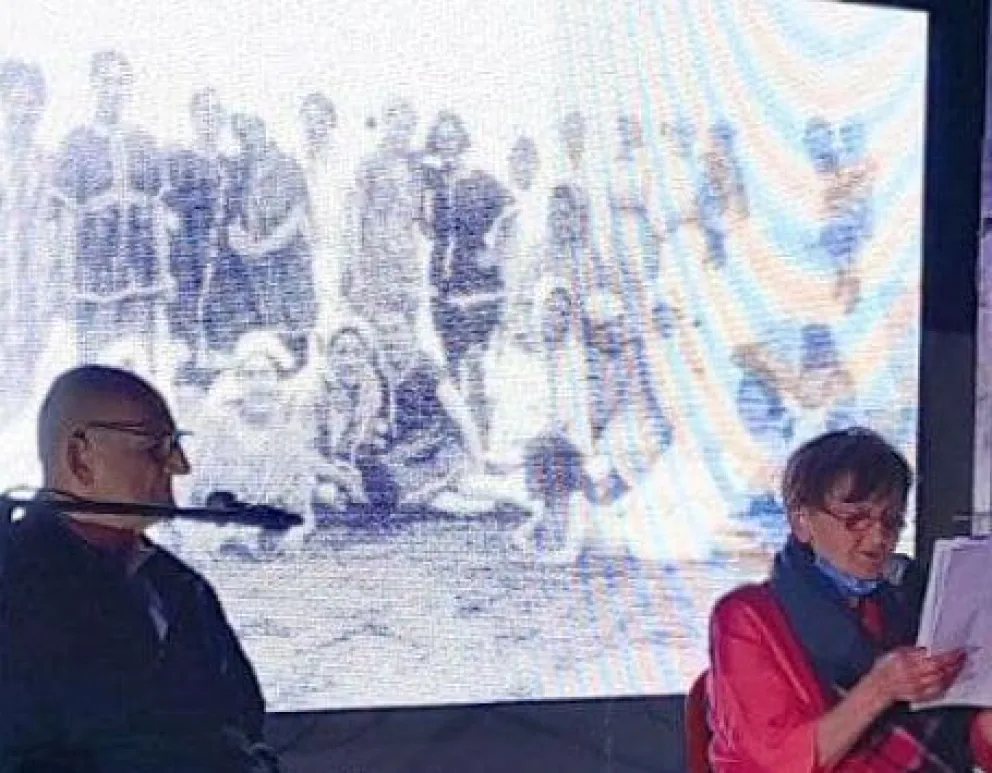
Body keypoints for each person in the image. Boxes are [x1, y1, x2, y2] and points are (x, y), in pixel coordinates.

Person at [0, 365, 279, 771]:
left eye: (175, 445)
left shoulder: (178, 585)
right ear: (81, 457)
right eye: (156, 447)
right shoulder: (14, 588)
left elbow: (243, 721)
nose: (180, 466)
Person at [707, 428, 992, 771]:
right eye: (856, 520)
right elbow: (774, 761)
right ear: (802, 522)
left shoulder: (901, 604)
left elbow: (955, 736)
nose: (878, 538)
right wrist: (880, 688)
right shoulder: (746, 617)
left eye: (891, 521)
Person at [53, 52, 171, 375]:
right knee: (97, 363)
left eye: (121, 82)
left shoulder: (145, 142)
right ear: (93, 86)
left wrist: (164, 271)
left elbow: (158, 211)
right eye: (106, 81)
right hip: (93, 270)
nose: (114, 90)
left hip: (140, 271)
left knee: (139, 364)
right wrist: (66, 279)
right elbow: (67, 217)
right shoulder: (76, 143)